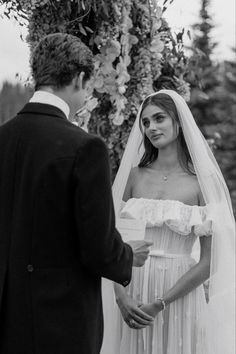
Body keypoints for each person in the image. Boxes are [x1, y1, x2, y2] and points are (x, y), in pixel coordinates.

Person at [0, 33, 153, 354]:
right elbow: (97, 248)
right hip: (58, 323)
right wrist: (127, 254)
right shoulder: (84, 147)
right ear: (80, 78)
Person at [102, 90, 235, 354]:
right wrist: (121, 297)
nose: (151, 127)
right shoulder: (133, 177)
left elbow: (209, 262)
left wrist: (161, 302)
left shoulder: (200, 184)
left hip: (178, 297)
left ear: (178, 121)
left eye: (159, 118)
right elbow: (111, 242)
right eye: (146, 122)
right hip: (131, 293)